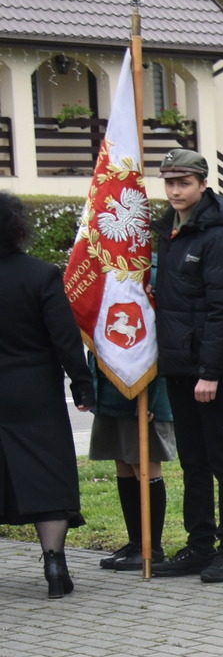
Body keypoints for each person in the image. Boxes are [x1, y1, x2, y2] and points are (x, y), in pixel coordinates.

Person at [152, 148, 223, 583]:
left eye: (184, 183)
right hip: (177, 364)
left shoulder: (219, 235)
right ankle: (199, 544)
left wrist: (210, 372)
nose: (175, 191)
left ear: (202, 184)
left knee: (222, 457)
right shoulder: (167, 230)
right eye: (170, 182)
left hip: (211, 368)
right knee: (192, 459)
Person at [0, 191, 92, 596]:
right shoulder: (41, 275)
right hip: (34, 388)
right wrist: (82, 382)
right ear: (18, 229)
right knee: (47, 470)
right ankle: (55, 566)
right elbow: (65, 338)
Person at [86, 354, 174, 574]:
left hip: (142, 393)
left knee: (143, 464)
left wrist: (150, 400)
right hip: (112, 392)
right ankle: (136, 541)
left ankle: (151, 547)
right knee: (123, 461)